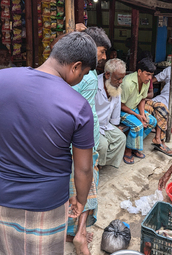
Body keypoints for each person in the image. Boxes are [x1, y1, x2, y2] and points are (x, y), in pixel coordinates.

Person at [0, 32, 96, 254]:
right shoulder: (78, 106)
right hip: (46, 203)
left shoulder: (3, 79)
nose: (82, 79)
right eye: (85, 73)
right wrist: (80, 200)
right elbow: (83, 169)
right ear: (76, 66)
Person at [67, 26, 111, 255]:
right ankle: (80, 233)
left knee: (72, 186)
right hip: (84, 139)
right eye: (102, 51)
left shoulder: (78, 72)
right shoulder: (87, 75)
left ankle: (71, 230)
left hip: (74, 138)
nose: (104, 57)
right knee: (87, 185)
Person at [120, 58, 157, 164]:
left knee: (151, 121)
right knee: (137, 126)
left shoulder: (145, 81)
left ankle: (135, 146)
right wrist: (137, 115)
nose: (150, 78)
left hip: (134, 108)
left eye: (151, 75)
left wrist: (142, 115)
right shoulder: (127, 83)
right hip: (121, 110)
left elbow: (142, 99)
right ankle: (128, 149)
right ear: (139, 72)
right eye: (148, 74)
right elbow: (120, 105)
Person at [95, 58, 127, 169]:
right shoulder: (94, 86)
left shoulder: (116, 87)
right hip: (92, 126)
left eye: (122, 78)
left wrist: (116, 126)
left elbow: (116, 112)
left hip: (105, 125)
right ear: (107, 75)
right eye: (118, 78)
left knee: (121, 138)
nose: (121, 82)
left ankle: (101, 162)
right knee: (103, 144)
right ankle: (95, 165)